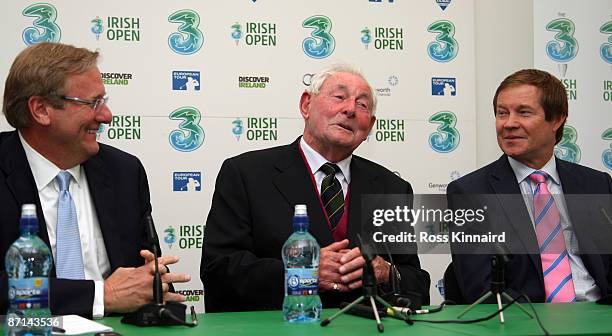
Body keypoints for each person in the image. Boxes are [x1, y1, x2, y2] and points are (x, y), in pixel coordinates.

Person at [201, 63, 430, 312]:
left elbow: (416, 282)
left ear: (370, 127)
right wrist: (301, 273)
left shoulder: (391, 188)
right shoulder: (246, 174)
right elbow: (219, 271)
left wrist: (385, 273)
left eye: (362, 105)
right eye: (339, 97)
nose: (350, 109)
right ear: (306, 105)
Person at [0, 42, 190, 318]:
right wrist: (101, 296)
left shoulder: (124, 172)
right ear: (41, 109)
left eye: (104, 101)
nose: (106, 116)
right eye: (92, 103)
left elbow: (143, 277)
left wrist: (153, 284)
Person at [447, 69, 612, 304]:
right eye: (502, 113)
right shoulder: (471, 193)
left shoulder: (596, 185)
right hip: (525, 320)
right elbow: (482, 290)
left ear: (556, 119)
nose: (509, 124)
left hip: (598, 313)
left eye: (523, 113)